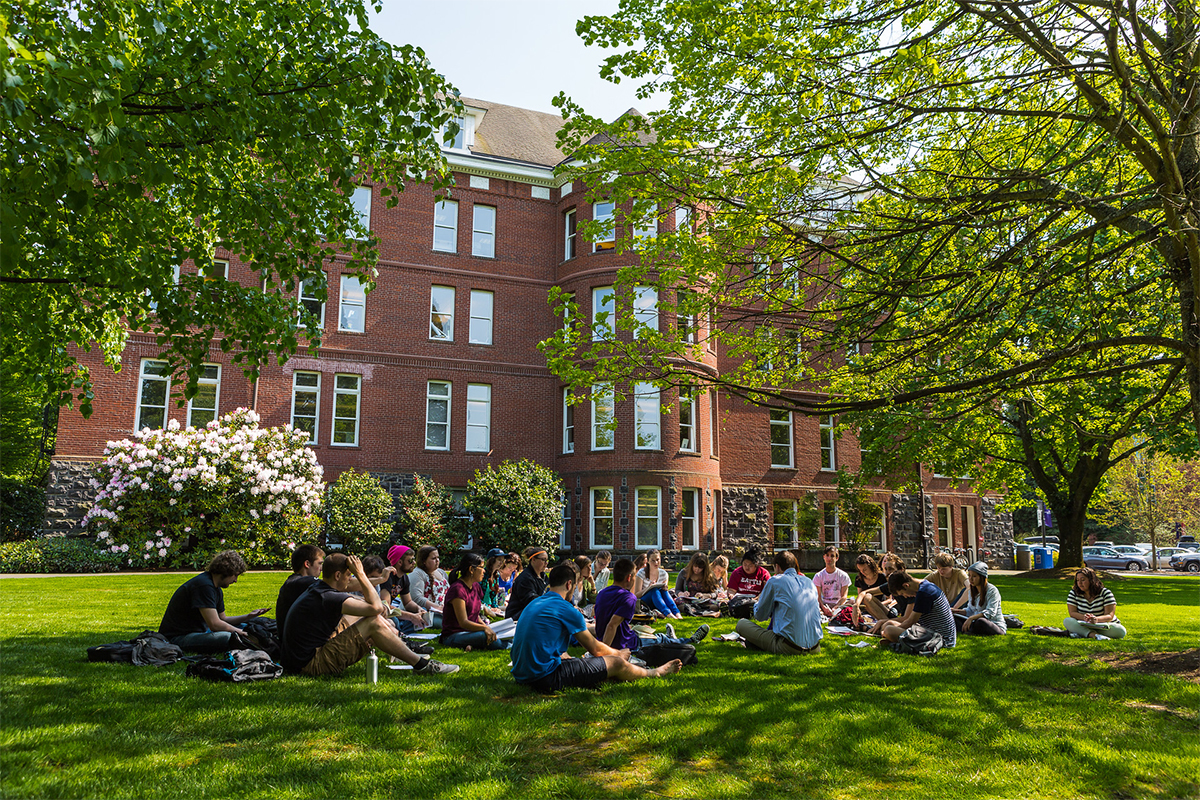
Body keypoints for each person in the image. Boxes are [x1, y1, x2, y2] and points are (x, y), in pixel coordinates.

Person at [510, 562, 683, 693]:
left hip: (521, 674)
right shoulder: (566, 608)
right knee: (615, 663)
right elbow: (595, 649)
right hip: (543, 677)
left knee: (581, 663)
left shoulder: (536, 603)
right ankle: (656, 673)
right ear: (569, 584)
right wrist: (618, 653)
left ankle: (602, 675)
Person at [281, 553, 459, 676]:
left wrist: (380, 579)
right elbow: (376, 608)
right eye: (349, 575)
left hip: (298, 660)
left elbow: (351, 587)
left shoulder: (321, 588)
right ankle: (422, 666)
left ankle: (399, 652)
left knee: (362, 615)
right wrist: (361, 574)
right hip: (309, 664)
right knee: (373, 621)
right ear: (337, 575)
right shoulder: (329, 597)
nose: (352, 579)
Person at [159, 550, 267, 653]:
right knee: (227, 637)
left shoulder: (216, 588)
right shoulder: (204, 585)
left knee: (248, 625)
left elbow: (223, 619)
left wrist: (249, 616)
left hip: (201, 631)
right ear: (227, 571)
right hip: (178, 638)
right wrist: (241, 633)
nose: (235, 580)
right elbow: (214, 624)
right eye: (235, 575)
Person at [596, 558, 710, 653]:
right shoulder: (628, 597)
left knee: (646, 633)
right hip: (627, 644)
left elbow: (606, 621)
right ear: (629, 578)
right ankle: (690, 640)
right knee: (660, 640)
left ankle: (669, 636)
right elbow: (612, 625)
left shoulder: (602, 594)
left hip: (611, 639)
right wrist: (603, 653)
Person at [734, 550, 822, 654]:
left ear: (777, 566)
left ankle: (755, 644)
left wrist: (755, 604)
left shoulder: (775, 580)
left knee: (741, 624)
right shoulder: (808, 581)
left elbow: (760, 615)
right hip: (815, 648)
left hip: (789, 646)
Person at [441, 552, 510, 650]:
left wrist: (486, 627)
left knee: (502, 631)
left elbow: (474, 615)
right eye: (481, 568)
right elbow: (463, 622)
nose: (484, 571)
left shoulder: (475, 586)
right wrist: (485, 628)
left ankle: (473, 645)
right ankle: (509, 646)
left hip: (471, 632)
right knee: (485, 636)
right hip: (454, 635)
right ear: (471, 570)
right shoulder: (457, 589)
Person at [880, 570, 957, 648]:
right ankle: (895, 640)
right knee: (888, 624)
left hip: (940, 639)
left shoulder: (924, 593)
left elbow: (911, 621)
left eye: (903, 593)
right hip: (929, 632)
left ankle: (893, 640)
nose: (905, 596)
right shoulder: (926, 585)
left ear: (906, 585)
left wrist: (887, 633)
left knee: (889, 630)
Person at [1064, 567, 1127, 639]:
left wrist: (1096, 619)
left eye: (1083, 580)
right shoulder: (1074, 593)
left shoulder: (1105, 593)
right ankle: (1095, 635)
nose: (1080, 583)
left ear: (1091, 580)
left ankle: (1082, 633)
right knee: (1067, 621)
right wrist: (1085, 618)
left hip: (1103, 625)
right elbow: (1072, 613)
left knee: (1121, 631)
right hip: (1084, 624)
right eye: (1077, 580)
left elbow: (1109, 615)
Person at [383, 544, 432, 636]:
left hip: (393, 612)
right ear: (400, 562)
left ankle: (399, 630)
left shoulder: (404, 578)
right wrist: (411, 617)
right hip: (384, 612)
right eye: (410, 561)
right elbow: (386, 607)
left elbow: (408, 602)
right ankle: (399, 630)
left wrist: (419, 609)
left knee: (421, 613)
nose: (414, 563)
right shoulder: (388, 577)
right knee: (394, 620)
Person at [275, 544, 324, 631]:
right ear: (307, 564)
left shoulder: (294, 581)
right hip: (302, 642)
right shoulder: (302, 582)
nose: (321, 568)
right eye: (319, 563)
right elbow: (337, 585)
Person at [956, 562, 1006, 635]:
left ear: (981, 577)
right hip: (974, 621)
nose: (971, 579)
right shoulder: (971, 591)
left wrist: (972, 618)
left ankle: (969, 630)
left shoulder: (992, 590)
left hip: (993, 624)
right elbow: (970, 610)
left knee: (981, 621)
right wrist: (956, 611)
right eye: (969, 576)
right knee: (954, 617)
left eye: (974, 576)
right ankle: (968, 630)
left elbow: (990, 612)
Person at [506, 547, 550, 620]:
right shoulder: (525, 578)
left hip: (533, 615)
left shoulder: (544, 577)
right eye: (543, 560)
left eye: (547, 560)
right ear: (533, 560)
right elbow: (531, 601)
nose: (546, 563)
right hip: (517, 619)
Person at [410, 545, 449, 628]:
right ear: (424, 561)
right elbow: (416, 598)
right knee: (446, 623)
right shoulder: (417, 574)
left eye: (438, 557)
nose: (437, 560)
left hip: (443, 611)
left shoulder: (442, 572)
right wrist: (438, 608)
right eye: (433, 558)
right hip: (427, 613)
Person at [851, 553, 894, 628]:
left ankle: (887, 624)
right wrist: (856, 606)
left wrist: (876, 606)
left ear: (870, 566)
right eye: (860, 570)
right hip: (866, 607)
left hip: (881, 606)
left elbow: (889, 599)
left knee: (867, 597)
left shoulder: (881, 577)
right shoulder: (859, 579)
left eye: (864, 569)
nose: (862, 572)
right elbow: (860, 595)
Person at [637, 549, 682, 619]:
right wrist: (648, 588)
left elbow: (665, 592)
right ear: (648, 561)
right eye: (653, 560)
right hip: (645, 602)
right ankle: (668, 613)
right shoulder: (641, 573)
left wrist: (665, 588)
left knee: (663, 591)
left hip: (659, 601)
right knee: (654, 590)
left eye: (657, 560)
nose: (656, 562)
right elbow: (636, 595)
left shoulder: (664, 574)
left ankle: (677, 613)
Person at [813, 545, 852, 617]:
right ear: (824, 557)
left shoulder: (843, 575)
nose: (829, 558)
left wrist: (836, 608)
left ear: (836, 558)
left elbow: (844, 596)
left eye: (832, 556)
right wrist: (823, 608)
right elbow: (817, 596)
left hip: (839, 605)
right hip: (824, 605)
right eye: (827, 555)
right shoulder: (818, 576)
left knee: (852, 602)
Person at [482, 551, 519, 615]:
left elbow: (494, 596)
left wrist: (495, 607)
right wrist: (489, 608)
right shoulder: (483, 575)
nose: (501, 562)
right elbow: (477, 598)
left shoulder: (496, 575)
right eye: (499, 560)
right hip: (483, 609)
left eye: (503, 560)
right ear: (492, 560)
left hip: (492, 608)